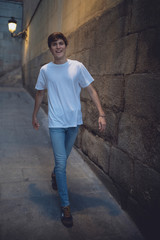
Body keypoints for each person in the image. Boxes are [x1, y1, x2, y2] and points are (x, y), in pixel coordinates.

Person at [32, 32, 106, 228]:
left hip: (73, 123)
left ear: (65, 45)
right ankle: (66, 206)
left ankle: (55, 175)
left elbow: (91, 90)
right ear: (50, 48)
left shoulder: (77, 67)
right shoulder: (45, 70)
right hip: (56, 123)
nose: (58, 47)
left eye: (61, 43)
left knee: (62, 160)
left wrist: (101, 114)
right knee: (62, 163)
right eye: (54, 44)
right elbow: (39, 93)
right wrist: (34, 115)